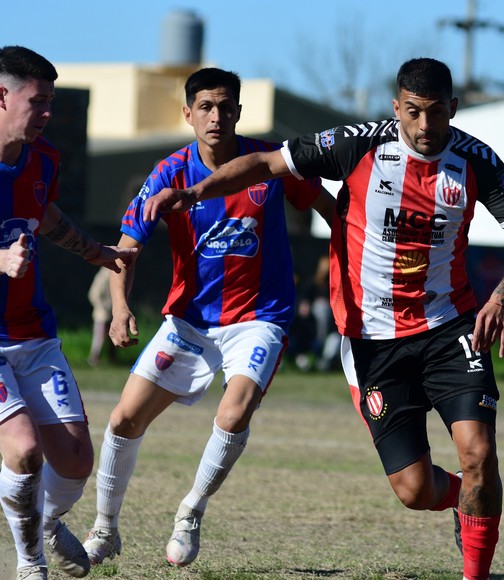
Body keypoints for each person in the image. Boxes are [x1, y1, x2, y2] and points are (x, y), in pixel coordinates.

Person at [144, 57, 504, 580]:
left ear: (455, 107)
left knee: (479, 452)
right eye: (414, 112)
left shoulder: (476, 160)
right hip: (373, 339)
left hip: (451, 326)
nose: (426, 127)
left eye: (437, 114)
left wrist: (502, 297)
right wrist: (196, 192)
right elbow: (268, 164)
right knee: (414, 490)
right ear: (396, 107)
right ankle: (459, 499)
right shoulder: (357, 143)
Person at [81, 67, 335, 569]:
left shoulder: (271, 162)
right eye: (205, 107)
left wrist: (353, 266)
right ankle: (105, 530)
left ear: (239, 112)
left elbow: (332, 210)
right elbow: (124, 251)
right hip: (191, 321)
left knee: (235, 412)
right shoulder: (169, 173)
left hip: (262, 318)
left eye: (225, 107)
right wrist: (120, 307)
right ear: (188, 114)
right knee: (123, 419)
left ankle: (190, 511)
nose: (215, 116)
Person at [0, 46, 137, 580]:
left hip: (34, 334)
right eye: (38, 102)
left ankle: (45, 522)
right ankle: (30, 562)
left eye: (52, 102)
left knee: (77, 461)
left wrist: (93, 251)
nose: (47, 113)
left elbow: (45, 213)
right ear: (2, 96)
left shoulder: (44, 159)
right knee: (26, 450)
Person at [86, 268, 115, 367]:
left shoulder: (111, 271)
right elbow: (94, 294)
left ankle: (112, 359)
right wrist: (103, 306)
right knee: (99, 337)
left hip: (113, 313)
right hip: (102, 313)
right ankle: (94, 358)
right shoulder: (105, 274)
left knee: (114, 337)